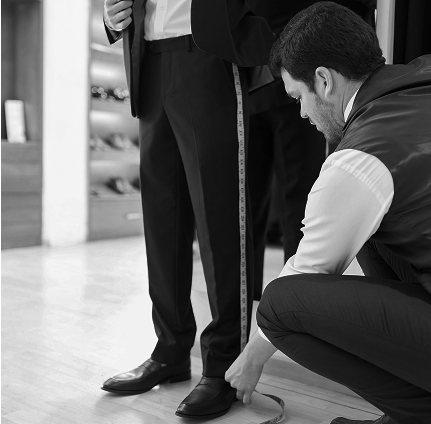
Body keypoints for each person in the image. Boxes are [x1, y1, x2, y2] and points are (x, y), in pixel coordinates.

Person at [225, 3, 431, 424]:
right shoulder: (422, 77)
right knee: (372, 229)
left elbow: (309, 268)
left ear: (324, 80)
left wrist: (251, 357)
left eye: (299, 97)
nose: (302, 113)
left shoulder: (360, 157)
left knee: (279, 304)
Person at [99, 0, 275, 419]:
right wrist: (111, 17)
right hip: (148, 59)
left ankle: (224, 364)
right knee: (162, 219)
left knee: (220, 217)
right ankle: (171, 348)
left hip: (208, 53)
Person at [246, 0, 376, 300]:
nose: (303, 111)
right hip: (250, 74)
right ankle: (260, 303)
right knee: (248, 205)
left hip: (309, 59)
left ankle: (297, 300)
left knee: (302, 201)